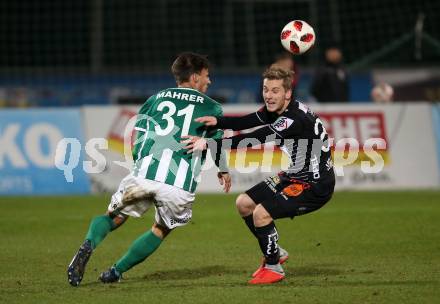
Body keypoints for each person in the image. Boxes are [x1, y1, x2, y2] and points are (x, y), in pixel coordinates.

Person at [67, 52, 231, 286]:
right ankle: (116, 271)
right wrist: (223, 169)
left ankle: (87, 246)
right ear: (194, 78)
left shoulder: (155, 99)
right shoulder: (212, 107)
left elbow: (137, 134)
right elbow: (215, 143)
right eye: (206, 76)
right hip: (178, 184)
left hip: (144, 174)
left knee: (114, 217)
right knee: (161, 228)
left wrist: (140, 162)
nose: (209, 81)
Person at [182, 66, 335, 284]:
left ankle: (274, 267)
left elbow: (254, 138)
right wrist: (220, 122)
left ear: (287, 93)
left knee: (261, 214)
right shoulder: (279, 109)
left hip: (315, 184)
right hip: (295, 174)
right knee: (244, 203)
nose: (269, 96)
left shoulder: (293, 118)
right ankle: (276, 252)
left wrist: (209, 143)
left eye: (275, 91)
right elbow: (247, 121)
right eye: (266, 89)